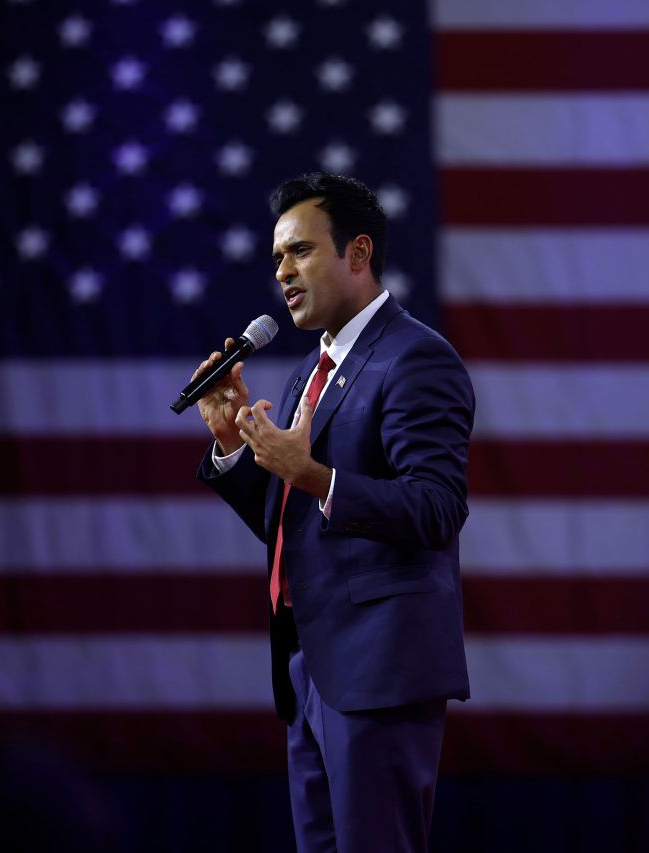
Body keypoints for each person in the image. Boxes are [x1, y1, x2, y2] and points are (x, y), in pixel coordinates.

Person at [192, 172, 474, 852]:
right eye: (277, 260)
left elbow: (436, 508)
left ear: (357, 253)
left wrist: (313, 472)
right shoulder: (305, 373)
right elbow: (289, 519)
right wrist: (233, 443)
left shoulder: (416, 360)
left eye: (300, 251)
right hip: (308, 669)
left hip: (378, 671)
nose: (283, 273)